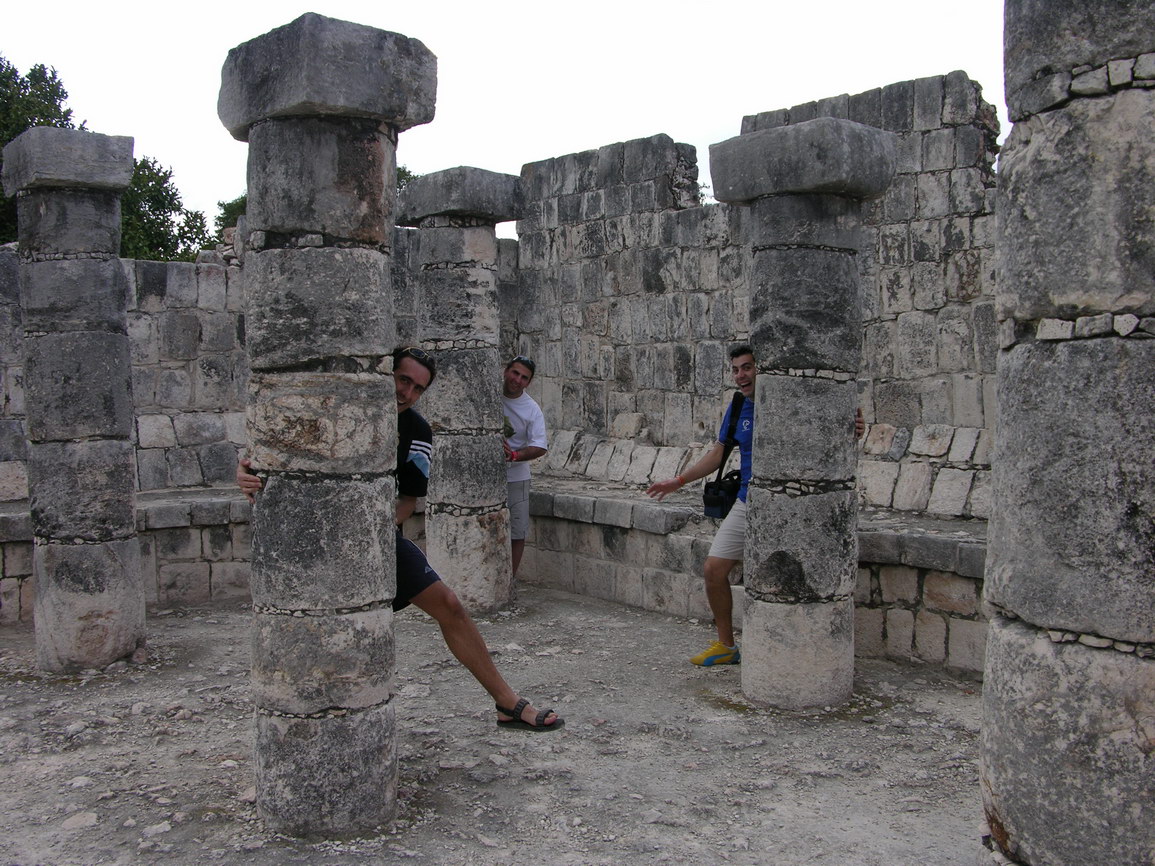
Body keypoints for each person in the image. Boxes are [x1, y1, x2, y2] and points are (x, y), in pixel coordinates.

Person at [237, 346, 563, 732]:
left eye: (418, 388)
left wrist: (372, 533)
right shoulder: (330, 409)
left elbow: (407, 501)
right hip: (309, 541)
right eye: (403, 379)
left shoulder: (418, 432)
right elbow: (262, 465)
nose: (407, 392)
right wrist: (244, 476)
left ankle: (507, 703)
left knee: (450, 605)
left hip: (374, 539)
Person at [645, 344, 864, 667]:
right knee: (713, 569)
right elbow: (718, 453)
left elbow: (826, 436)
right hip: (748, 500)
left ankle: (803, 653)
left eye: (747, 368)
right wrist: (677, 482)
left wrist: (853, 430)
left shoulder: (791, 403)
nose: (741, 376)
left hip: (790, 505)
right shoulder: (737, 408)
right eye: (735, 370)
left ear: (762, 369)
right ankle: (726, 646)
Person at [501, 355, 548, 578]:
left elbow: (540, 445)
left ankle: (508, 580)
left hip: (516, 477)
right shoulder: (489, 396)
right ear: (506, 371)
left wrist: (515, 455)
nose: (517, 380)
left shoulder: (531, 409)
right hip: (485, 475)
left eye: (523, 378)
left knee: (517, 533)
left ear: (528, 383)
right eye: (515, 373)